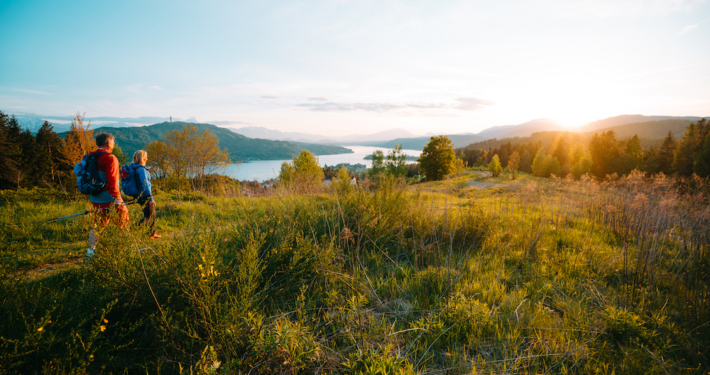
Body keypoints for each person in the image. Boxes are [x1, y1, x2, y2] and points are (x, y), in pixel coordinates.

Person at [85, 133, 129, 260]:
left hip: (95, 197)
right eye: (113, 143)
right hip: (109, 197)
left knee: (99, 225)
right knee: (123, 221)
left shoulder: (90, 157)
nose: (113, 146)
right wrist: (117, 198)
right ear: (109, 144)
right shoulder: (110, 158)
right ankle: (124, 251)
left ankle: (90, 253)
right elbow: (113, 180)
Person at [131, 150, 161, 239]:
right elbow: (145, 185)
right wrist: (151, 199)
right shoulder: (141, 170)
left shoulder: (135, 168)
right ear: (143, 158)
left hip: (139, 195)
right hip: (144, 195)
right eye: (146, 156)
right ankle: (130, 230)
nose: (147, 158)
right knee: (148, 217)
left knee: (152, 214)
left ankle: (152, 233)